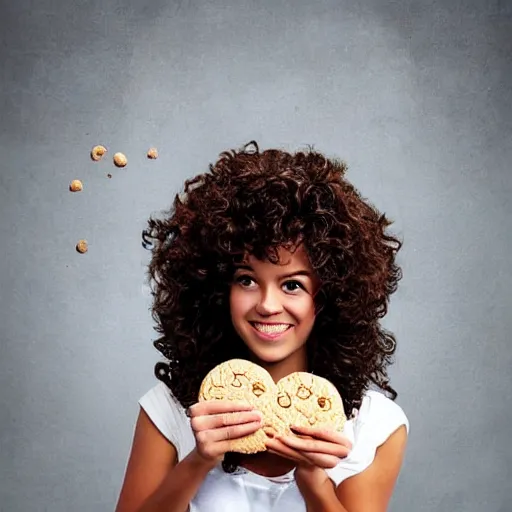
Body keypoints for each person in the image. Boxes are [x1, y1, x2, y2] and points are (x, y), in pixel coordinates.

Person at [115, 142, 409, 512]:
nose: (268, 306)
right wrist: (198, 461)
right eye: (247, 280)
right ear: (217, 289)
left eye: (292, 285)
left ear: (328, 295)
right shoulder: (170, 408)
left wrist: (314, 481)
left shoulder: (374, 426)